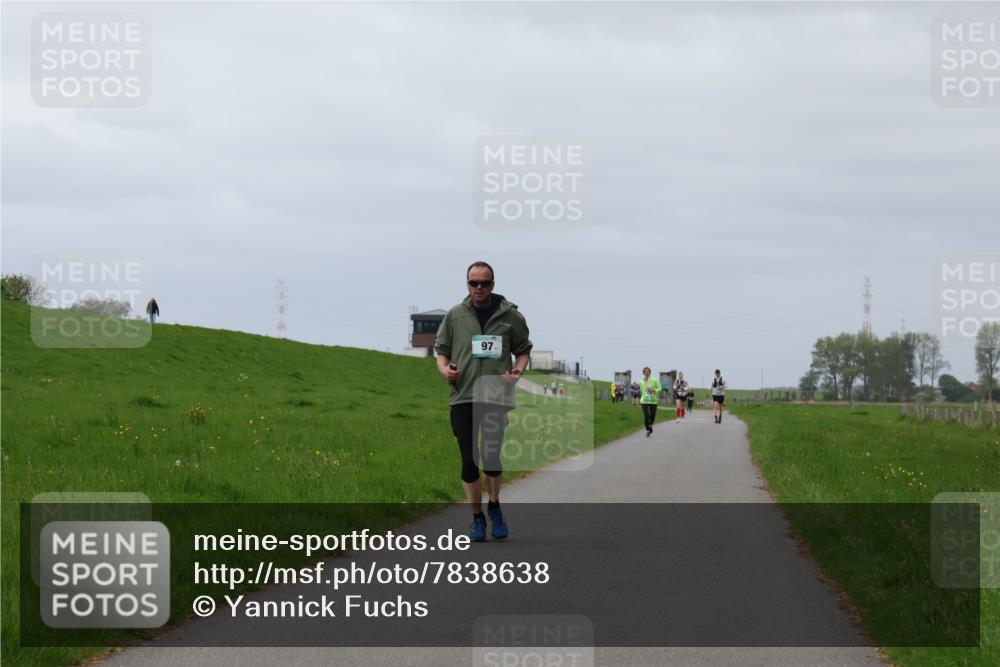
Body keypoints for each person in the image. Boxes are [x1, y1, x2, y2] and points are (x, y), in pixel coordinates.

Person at [436, 261, 532, 542]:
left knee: (490, 458)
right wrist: (444, 370)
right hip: (463, 397)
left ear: (493, 284)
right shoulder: (455, 315)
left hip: (495, 397)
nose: (479, 287)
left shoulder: (510, 317)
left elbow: (523, 350)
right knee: (469, 461)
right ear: (467, 284)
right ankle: (477, 518)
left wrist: (517, 371)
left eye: (484, 283)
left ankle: (495, 506)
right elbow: (441, 351)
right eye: (473, 282)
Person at [639, 367, 662, 437]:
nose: (646, 373)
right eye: (645, 372)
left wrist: (654, 390)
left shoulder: (654, 380)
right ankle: (647, 430)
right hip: (644, 401)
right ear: (643, 373)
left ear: (650, 372)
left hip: (653, 401)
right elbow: (641, 391)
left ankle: (650, 425)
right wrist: (641, 398)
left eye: (648, 371)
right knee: (646, 415)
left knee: (652, 416)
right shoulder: (641, 381)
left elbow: (660, 388)